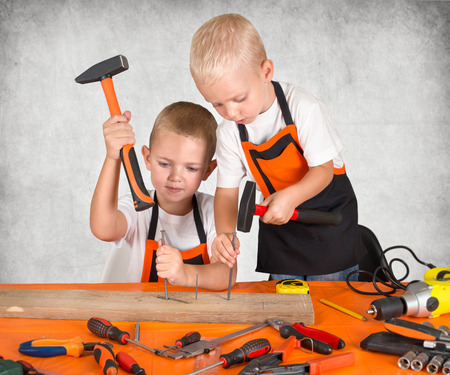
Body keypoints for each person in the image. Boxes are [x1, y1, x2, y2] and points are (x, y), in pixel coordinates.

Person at [190, 13, 359, 281]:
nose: (231, 112)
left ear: (266, 71)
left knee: (332, 305)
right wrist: (224, 234)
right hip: (282, 229)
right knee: (283, 308)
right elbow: (226, 193)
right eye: (217, 104)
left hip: (328, 221)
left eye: (239, 98)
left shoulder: (303, 109)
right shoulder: (229, 132)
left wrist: (290, 198)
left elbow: (324, 171)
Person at [90, 101, 234, 290]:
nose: (176, 177)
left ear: (207, 171)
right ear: (148, 159)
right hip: (142, 317)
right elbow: (103, 229)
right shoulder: (138, 208)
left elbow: (226, 275)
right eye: (165, 164)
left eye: (191, 168)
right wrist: (112, 158)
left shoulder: (213, 211)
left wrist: (184, 274)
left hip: (199, 318)